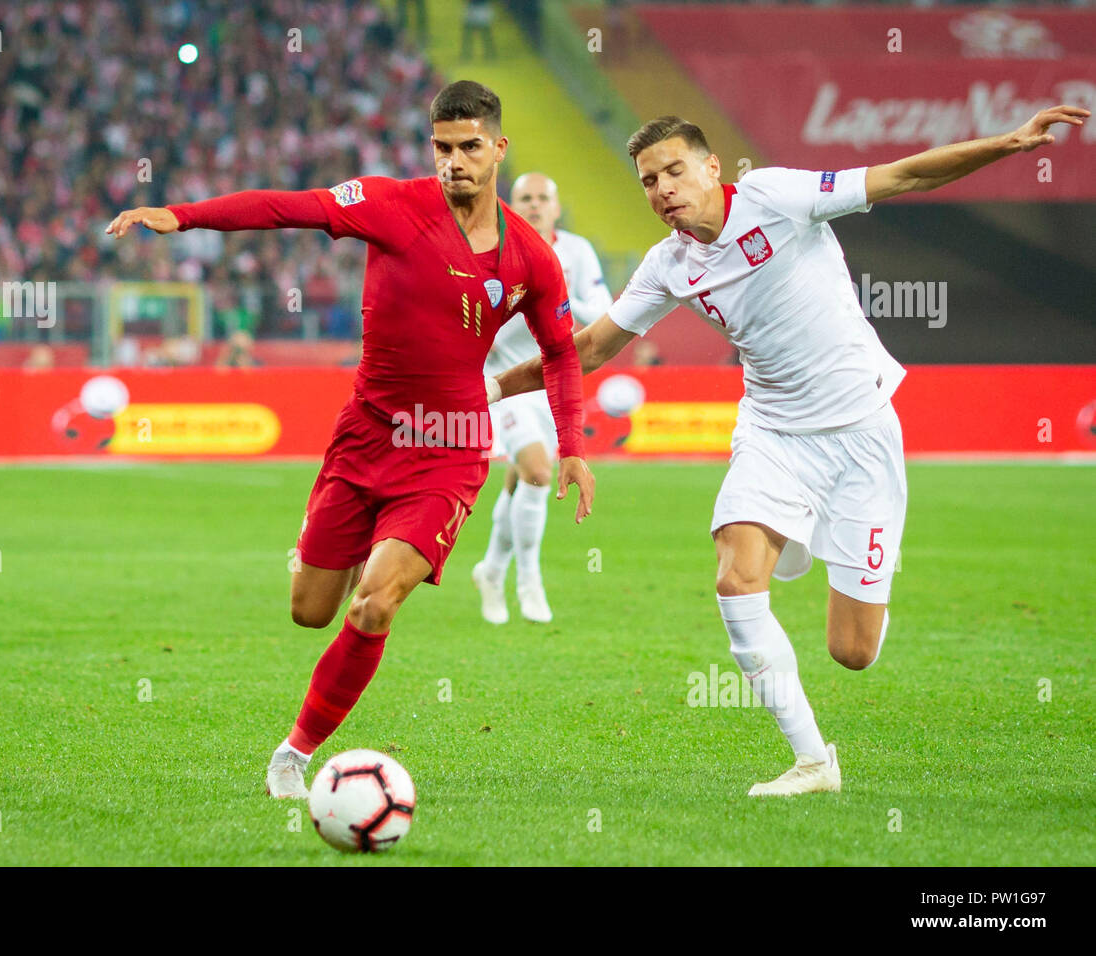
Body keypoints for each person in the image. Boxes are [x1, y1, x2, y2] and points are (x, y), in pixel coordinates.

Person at [491, 104, 1089, 796]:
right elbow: (588, 348)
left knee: (853, 651)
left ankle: (871, 566)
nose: (662, 190)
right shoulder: (667, 266)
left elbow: (901, 176)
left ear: (712, 167)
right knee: (736, 578)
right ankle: (812, 760)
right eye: (649, 181)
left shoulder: (779, 197)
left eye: (674, 171)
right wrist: (484, 389)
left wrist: (1009, 143)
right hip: (772, 433)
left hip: (861, 432)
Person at [107, 81, 594, 799]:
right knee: (311, 610)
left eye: (468, 147)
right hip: (366, 435)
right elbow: (287, 207)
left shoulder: (532, 259)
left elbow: (561, 351)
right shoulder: (392, 205)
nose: (453, 161)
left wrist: (574, 444)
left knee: (375, 603)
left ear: (499, 149)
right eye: (441, 148)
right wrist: (181, 217)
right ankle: (334, 544)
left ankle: (294, 755)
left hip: (451, 447)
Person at [472, 172, 612, 623]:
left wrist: (558, 294)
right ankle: (528, 578)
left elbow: (603, 309)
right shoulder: (491, 249)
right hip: (507, 382)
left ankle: (491, 569)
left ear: (555, 207)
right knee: (536, 470)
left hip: (554, 380)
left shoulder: (577, 252)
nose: (533, 205)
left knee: (519, 478)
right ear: (509, 205)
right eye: (524, 198)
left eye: (541, 199)